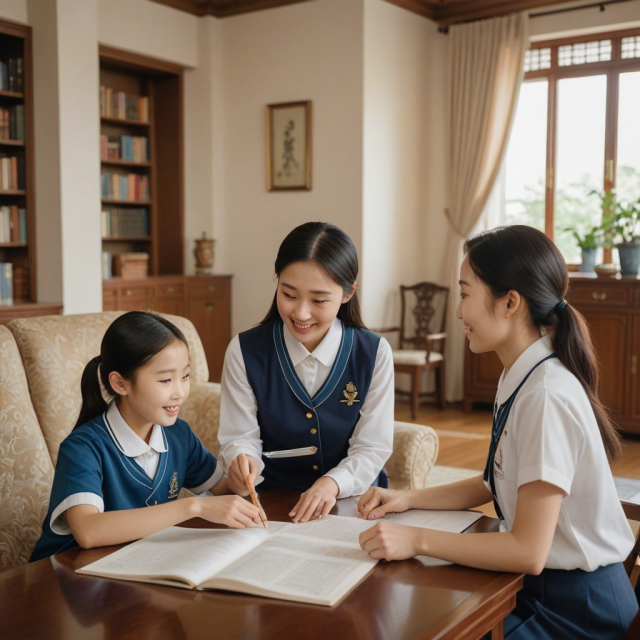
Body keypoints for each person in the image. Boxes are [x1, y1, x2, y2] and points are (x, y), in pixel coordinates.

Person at [357, 225, 639, 639]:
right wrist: (405, 499)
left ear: (509, 302)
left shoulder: (546, 395)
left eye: (465, 294)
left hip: (578, 614)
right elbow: (493, 481)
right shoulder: (519, 375)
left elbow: (527, 550)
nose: (457, 312)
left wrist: (416, 539)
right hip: (544, 592)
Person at [30, 311, 262, 562]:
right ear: (120, 384)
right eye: (165, 380)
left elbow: (222, 489)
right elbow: (88, 531)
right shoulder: (83, 448)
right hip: (67, 579)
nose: (180, 393)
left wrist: (238, 481)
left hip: (134, 568)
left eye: (185, 376)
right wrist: (194, 506)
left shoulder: (178, 435)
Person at [218, 222, 394, 524]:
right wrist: (241, 459)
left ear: (348, 293)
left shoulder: (374, 352)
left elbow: (372, 447)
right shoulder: (244, 350)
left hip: (355, 503)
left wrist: (332, 483)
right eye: (288, 294)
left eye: (319, 300)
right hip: (270, 504)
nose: (301, 313)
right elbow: (241, 437)